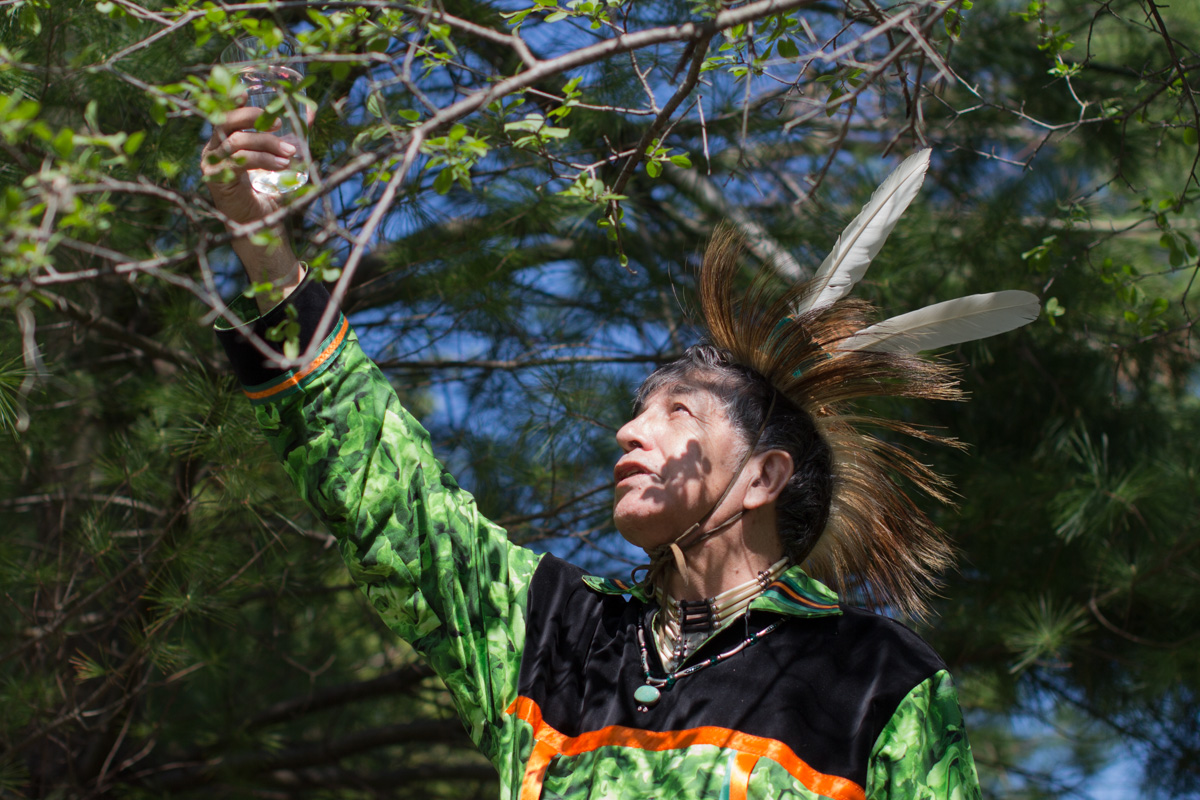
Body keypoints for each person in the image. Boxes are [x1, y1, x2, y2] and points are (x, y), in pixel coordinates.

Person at [203, 107, 1037, 799]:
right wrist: (262, 246)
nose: (630, 432)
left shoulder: (872, 679)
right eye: (638, 411)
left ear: (762, 476)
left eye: (678, 411)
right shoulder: (555, 632)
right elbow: (391, 495)